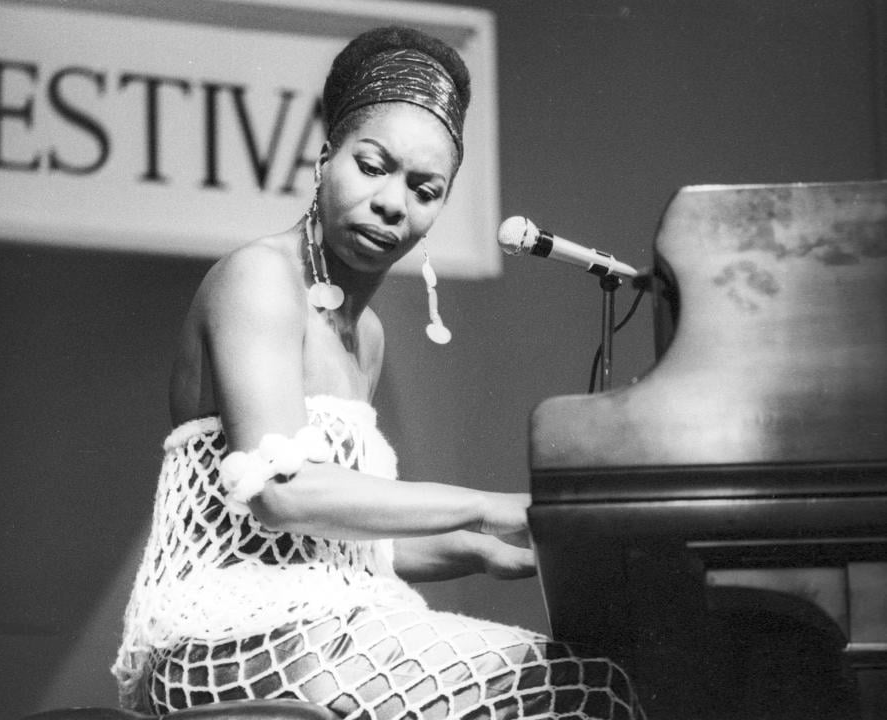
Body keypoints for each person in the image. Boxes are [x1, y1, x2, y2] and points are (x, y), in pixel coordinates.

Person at [112, 25, 644, 720]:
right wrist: (485, 505)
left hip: (325, 625)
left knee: (606, 678)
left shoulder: (367, 337)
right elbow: (284, 494)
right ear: (326, 158)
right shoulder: (258, 278)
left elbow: (345, 536)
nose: (394, 202)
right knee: (593, 691)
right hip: (229, 641)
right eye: (373, 167)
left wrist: (483, 550)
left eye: (424, 189)